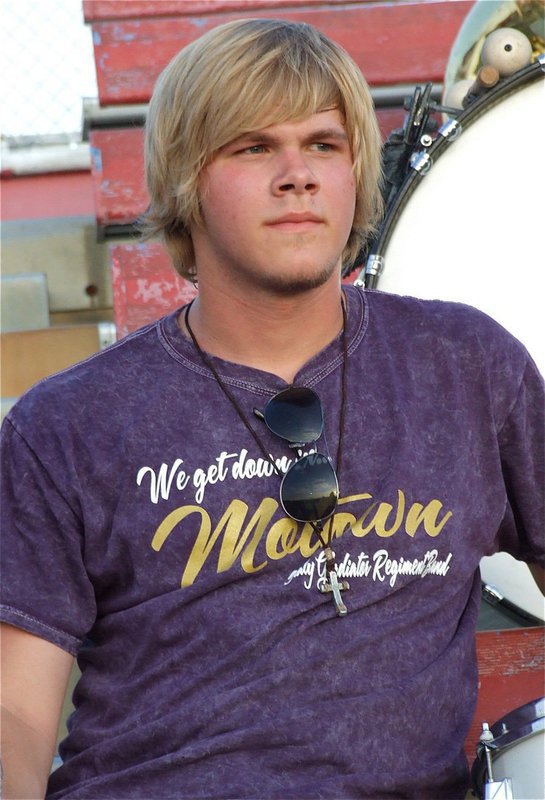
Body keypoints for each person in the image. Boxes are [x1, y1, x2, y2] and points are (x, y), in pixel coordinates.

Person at [1, 17, 543, 800]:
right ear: (186, 182)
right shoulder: (67, 424)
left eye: (322, 144)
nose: (297, 175)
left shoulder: (465, 366)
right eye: (253, 148)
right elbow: (16, 711)